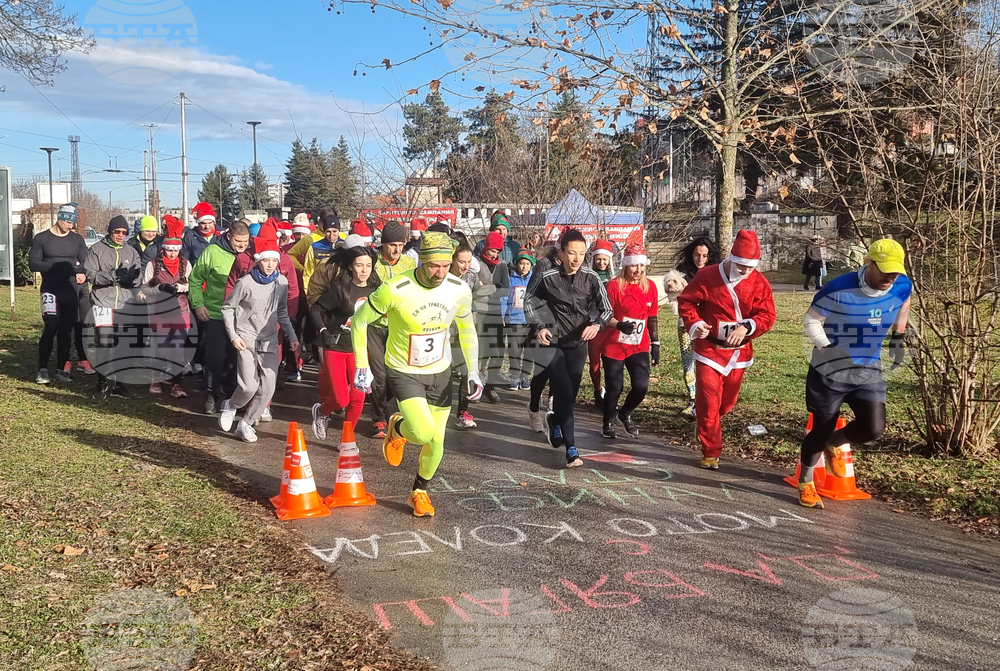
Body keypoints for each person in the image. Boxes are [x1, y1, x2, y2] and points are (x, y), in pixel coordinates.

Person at [350, 231, 481, 517]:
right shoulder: (396, 289)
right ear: (421, 261)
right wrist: (362, 365)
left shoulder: (458, 289)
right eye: (435, 266)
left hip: (441, 372)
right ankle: (397, 427)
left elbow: (467, 329)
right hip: (404, 372)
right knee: (422, 432)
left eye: (446, 266)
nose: (441, 273)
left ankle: (419, 492)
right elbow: (360, 322)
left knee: (437, 443)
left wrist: (474, 370)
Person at [797, 238, 911, 508]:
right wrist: (826, 347)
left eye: (895, 271)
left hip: (868, 369)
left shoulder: (902, 284)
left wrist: (899, 335)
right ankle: (806, 481)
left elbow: (905, 302)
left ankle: (835, 443)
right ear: (868, 263)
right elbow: (811, 320)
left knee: (873, 427)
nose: (891, 277)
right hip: (830, 370)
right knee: (821, 428)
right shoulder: (838, 288)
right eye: (885, 270)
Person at [677, 229, 776, 470]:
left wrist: (747, 327)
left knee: (727, 402)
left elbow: (768, 315)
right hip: (709, 349)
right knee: (709, 400)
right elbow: (687, 301)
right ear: (731, 258)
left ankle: (706, 423)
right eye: (741, 264)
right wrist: (696, 324)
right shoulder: (709, 275)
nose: (745, 270)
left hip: (739, 352)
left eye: (750, 266)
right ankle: (711, 451)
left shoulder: (759, 282)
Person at [523, 228, 613, 468]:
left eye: (582, 254)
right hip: (551, 342)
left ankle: (554, 422)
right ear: (561, 253)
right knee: (562, 389)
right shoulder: (548, 276)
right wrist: (540, 326)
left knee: (569, 395)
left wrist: (597, 324)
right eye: (572, 253)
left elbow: (607, 309)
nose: (576, 259)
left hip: (577, 343)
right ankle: (572, 450)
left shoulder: (591, 277)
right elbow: (529, 302)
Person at [219, 237, 299, 443]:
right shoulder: (245, 282)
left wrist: (291, 334)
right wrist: (234, 336)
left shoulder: (281, 282)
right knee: (249, 386)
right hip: (246, 337)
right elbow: (228, 309)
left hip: (270, 338)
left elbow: (282, 310)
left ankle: (246, 423)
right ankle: (231, 405)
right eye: (266, 261)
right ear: (257, 261)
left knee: (268, 387)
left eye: (274, 261)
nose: (270, 265)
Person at [309, 246, 380, 440]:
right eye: (359, 265)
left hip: (360, 349)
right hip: (337, 346)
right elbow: (316, 309)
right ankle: (322, 411)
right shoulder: (340, 287)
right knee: (341, 398)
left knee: (358, 398)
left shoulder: (376, 289)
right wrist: (323, 331)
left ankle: (346, 439)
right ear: (350, 266)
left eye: (368, 265)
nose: (364, 270)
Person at [189, 220, 252, 413]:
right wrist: (198, 304)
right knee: (215, 357)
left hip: (242, 317)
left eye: (246, 241)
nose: (242, 245)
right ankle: (211, 394)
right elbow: (195, 279)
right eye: (239, 241)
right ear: (228, 237)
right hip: (216, 313)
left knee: (238, 359)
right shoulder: (212, 252)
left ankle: (234, 396)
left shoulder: (251, 255)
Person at [601, 244, 659, 438]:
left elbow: (652, 317)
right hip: (614, 344)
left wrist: (655, 344)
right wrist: (619, 325)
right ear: (626, 266)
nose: (638, 270)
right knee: (615, 387)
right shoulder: (613, 286)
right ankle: (608, 422)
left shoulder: (649, 287)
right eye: (634, 266)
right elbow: (604, 317)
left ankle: (624, 414)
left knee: (641, 385)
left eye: (642, 266)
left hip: (638, 345)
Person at [29, 202, 90, 384]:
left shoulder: (77, 240)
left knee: (66, 330)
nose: (70, 226)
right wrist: (57, 267)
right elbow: (34, 263)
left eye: (72, 223)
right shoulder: (42, 238)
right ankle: (42, 369)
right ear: (59, 218)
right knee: (51, 327)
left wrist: (82, 273)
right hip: (50, 289)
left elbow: (86, 262)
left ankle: (61, 369)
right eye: (67, 222)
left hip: (70, 290)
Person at [85, 216, 142, 400]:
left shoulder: (131, 251)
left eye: (124, 232)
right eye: (117, 232)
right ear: (110, 231)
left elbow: (138, 279)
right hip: (103, 301)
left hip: (124, 304)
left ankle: (119, 383)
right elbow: (90, 274)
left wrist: (132, 278)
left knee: (123, 344)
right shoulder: (96, 249)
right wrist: (113, 275)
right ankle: (101, 382)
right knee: (104, 342)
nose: (120, 235)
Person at [137, 216, 191, 398]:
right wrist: (160, 287)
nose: (172, 254)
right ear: (163, 249)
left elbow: (191, 285)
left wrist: (179, 287)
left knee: (177, 349)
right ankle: (156, 378)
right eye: (169, 250)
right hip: (159, 311)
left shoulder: (185, 264)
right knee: (160, 347)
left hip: (180, 311)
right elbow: (145, 287)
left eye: (176, 250)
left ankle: (176, 383)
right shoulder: (153, 265)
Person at [666, 236, 719, 416]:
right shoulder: (682, 272)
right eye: (697, 255)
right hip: (686, 325)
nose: (701, 259)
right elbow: (675, 296)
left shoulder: (716, 272)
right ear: (692, 254)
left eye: (705, 255)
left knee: (707, 363)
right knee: (689, 363)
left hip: (710, 326)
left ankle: (708, 399)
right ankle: (692, 399)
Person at [475, 230, 510, 402]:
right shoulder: (476, 263)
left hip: (496, 311)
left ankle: (490, 385)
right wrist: (494, 286)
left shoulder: (502, 265)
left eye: (497, 252)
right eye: (492, 250)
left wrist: (487, 287)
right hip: (479, 312)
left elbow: (506, 289)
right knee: (480, 351)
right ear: (485, 248)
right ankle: (476, 385)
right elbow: (474, 290)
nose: (494, 254)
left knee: (497, 351)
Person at [450, 241, 479, 428]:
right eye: (462, 262)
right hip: (443, 330)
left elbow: (474, 300)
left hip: (463, 329)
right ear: (452, 260)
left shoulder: (470, 278)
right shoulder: (441, 276)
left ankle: (462, 412)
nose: (465, 266)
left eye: (468, 262)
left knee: (466, 370)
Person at [587, 239, 615, 408]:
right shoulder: (589, 277)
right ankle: (598, 391)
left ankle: (611, 394)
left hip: (610, 324)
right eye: (598, 259)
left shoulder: (615, 277)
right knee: (595, 363)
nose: (602, 262)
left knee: (611, 362)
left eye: (605, 259)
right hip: (593, 323)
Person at [506, 247, 535, 391]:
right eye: (521, 263)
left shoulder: (535, 279)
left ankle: (525, 376)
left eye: (527, 264)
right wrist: (503, 314)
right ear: (517, 264)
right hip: (515, 320)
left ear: (531, 265)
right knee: (515, 350)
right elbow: (505, 298)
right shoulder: (510, 279)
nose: (524, 267)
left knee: (529, 350)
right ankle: (515, 376)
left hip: (531, 321)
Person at [302, 212, 342, 297]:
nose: (331, 235)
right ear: (324, 231)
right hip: (319, 292)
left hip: (341, 292)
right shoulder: (314, 247)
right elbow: (308, 273)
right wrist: (308, 295)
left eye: (334, 231)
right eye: (328, 231)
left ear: (339, 230)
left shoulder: (345, 246)